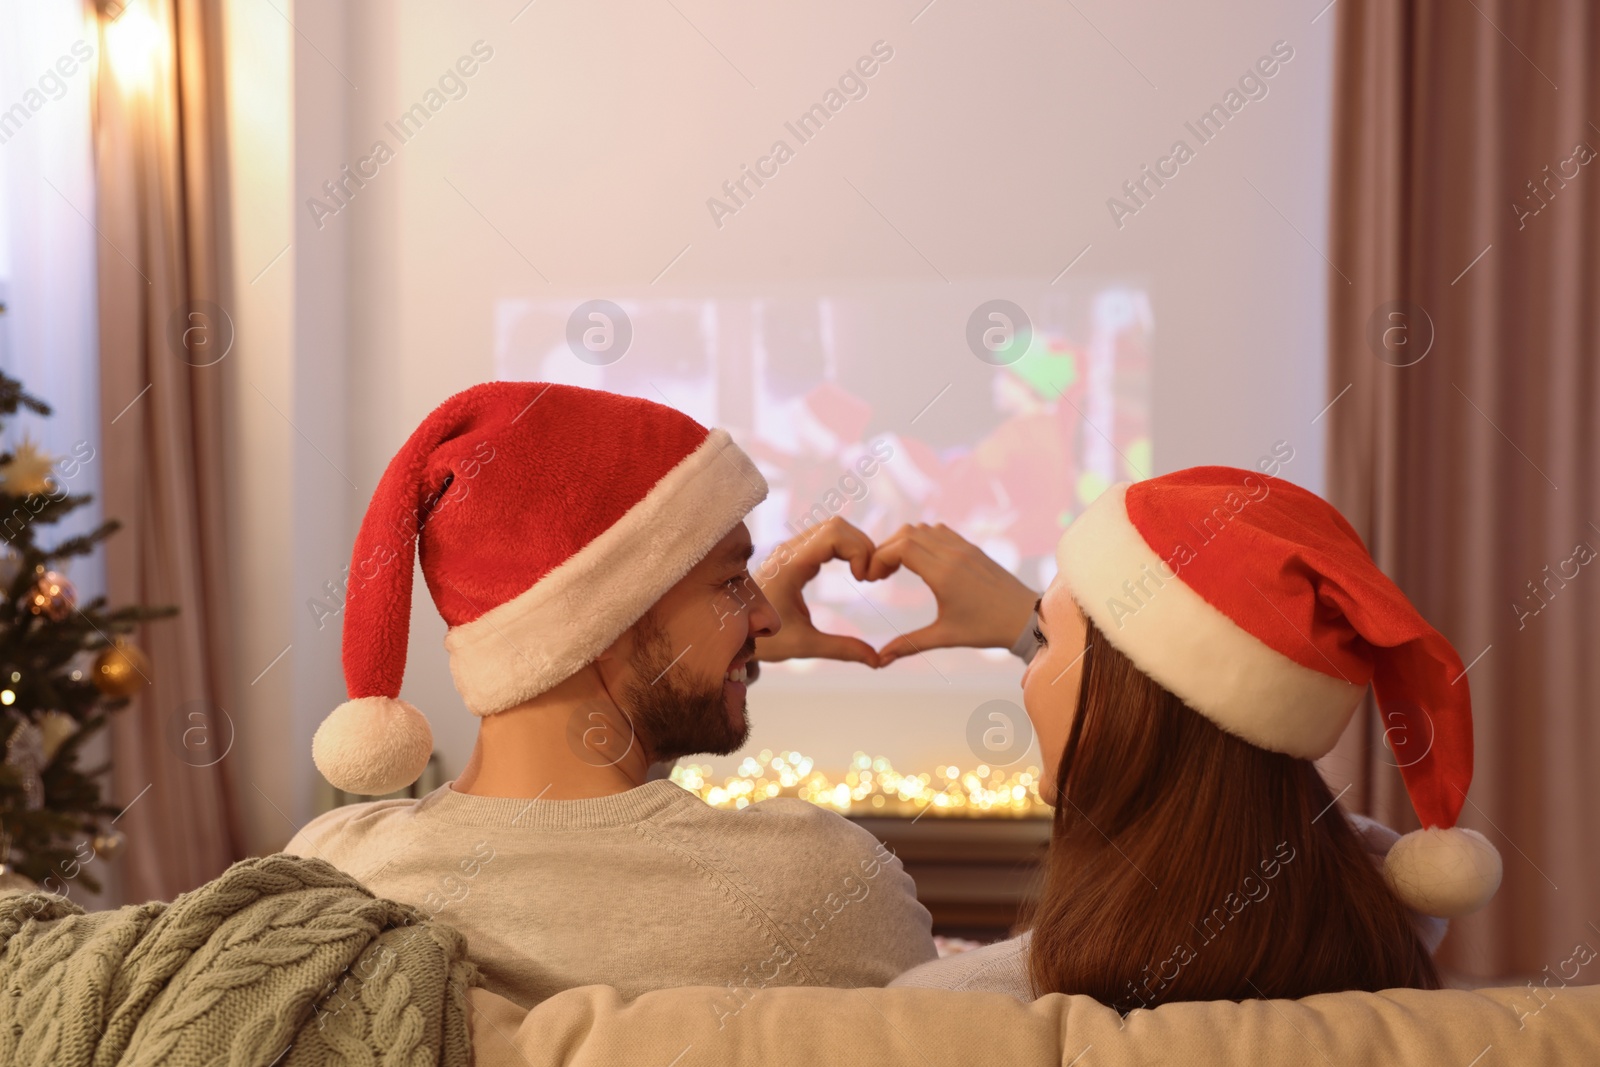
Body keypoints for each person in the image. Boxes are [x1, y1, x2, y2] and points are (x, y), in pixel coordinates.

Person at [281, 382, 1038, 1012]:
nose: (767, 614)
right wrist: (1035, 632)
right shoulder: (822, 883)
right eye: (732, 580)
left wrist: (713, 630)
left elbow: (596, 822)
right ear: (603, 617)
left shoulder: (334, 871)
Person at [889, 466, 1504, 1007]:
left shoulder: (956, 1011)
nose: (1027, 675)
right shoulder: (1390, 954)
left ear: (1127, 706)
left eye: (1043, 641)